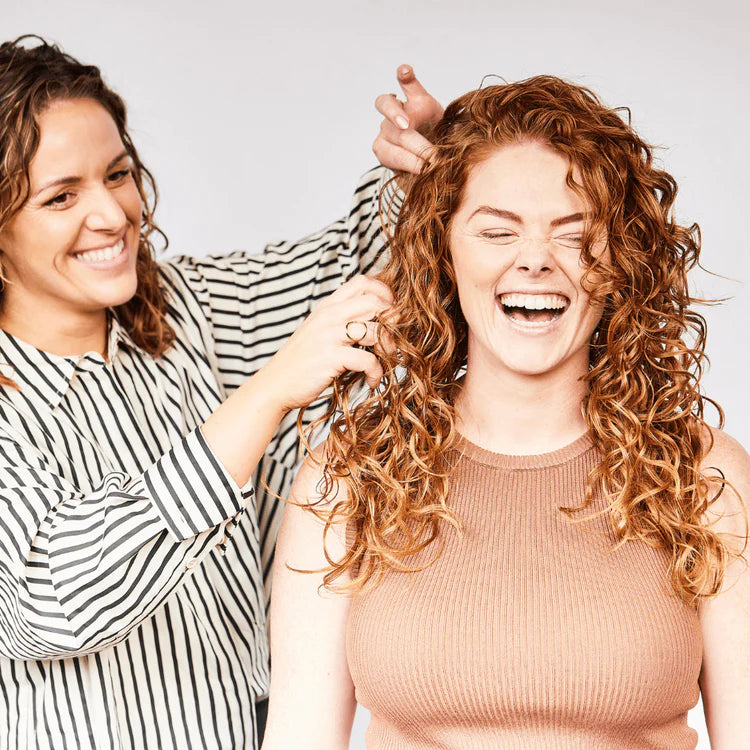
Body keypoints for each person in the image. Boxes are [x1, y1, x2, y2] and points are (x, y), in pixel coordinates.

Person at [263, 75, 750, 749]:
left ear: (618, 259)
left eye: (575, 235)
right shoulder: (347, 478)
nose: (535, 261)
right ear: (444, 251)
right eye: (497, 231)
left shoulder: (704, 476)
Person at [0, 36, 440, 749]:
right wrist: (263, 397)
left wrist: (421, 168)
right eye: (60, 197)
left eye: (117, 174)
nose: (112, 215)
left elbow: (356, 263)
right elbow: (46, 601)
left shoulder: (190, 311)